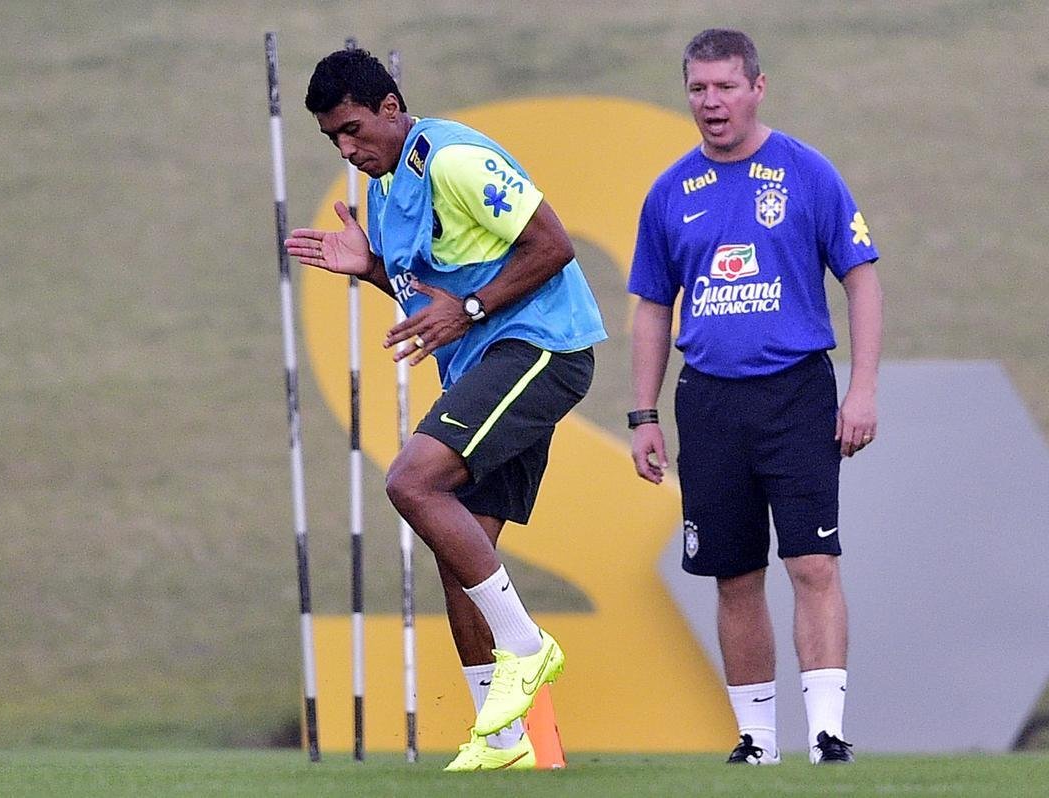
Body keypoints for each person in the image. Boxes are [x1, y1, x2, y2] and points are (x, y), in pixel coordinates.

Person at [284, 48, 607, 771]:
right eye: (334, 138)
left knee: (410, 483)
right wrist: (368, 266)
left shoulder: (455, 158)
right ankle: (507, 746)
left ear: (393, 108)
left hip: (543, 349)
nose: (347, 148)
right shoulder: (384, 190)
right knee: (458, 552)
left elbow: (552, 246)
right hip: (485, 361)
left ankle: (528, 646)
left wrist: (470, 307)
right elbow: (426, 300)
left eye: (356, 129)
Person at [628, 28, 882, 766]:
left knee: (812, 564)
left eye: (726, 87)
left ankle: (828, 732)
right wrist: (643, 413)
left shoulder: (807, 172)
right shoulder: (671, 190)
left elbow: (860, 275)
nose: (712, 103)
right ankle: (757, 739)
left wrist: (861, 389)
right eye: (699, 89)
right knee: (733, 573)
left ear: (757, 88)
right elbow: (652, 304)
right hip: (707, 402)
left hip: (797, 392)